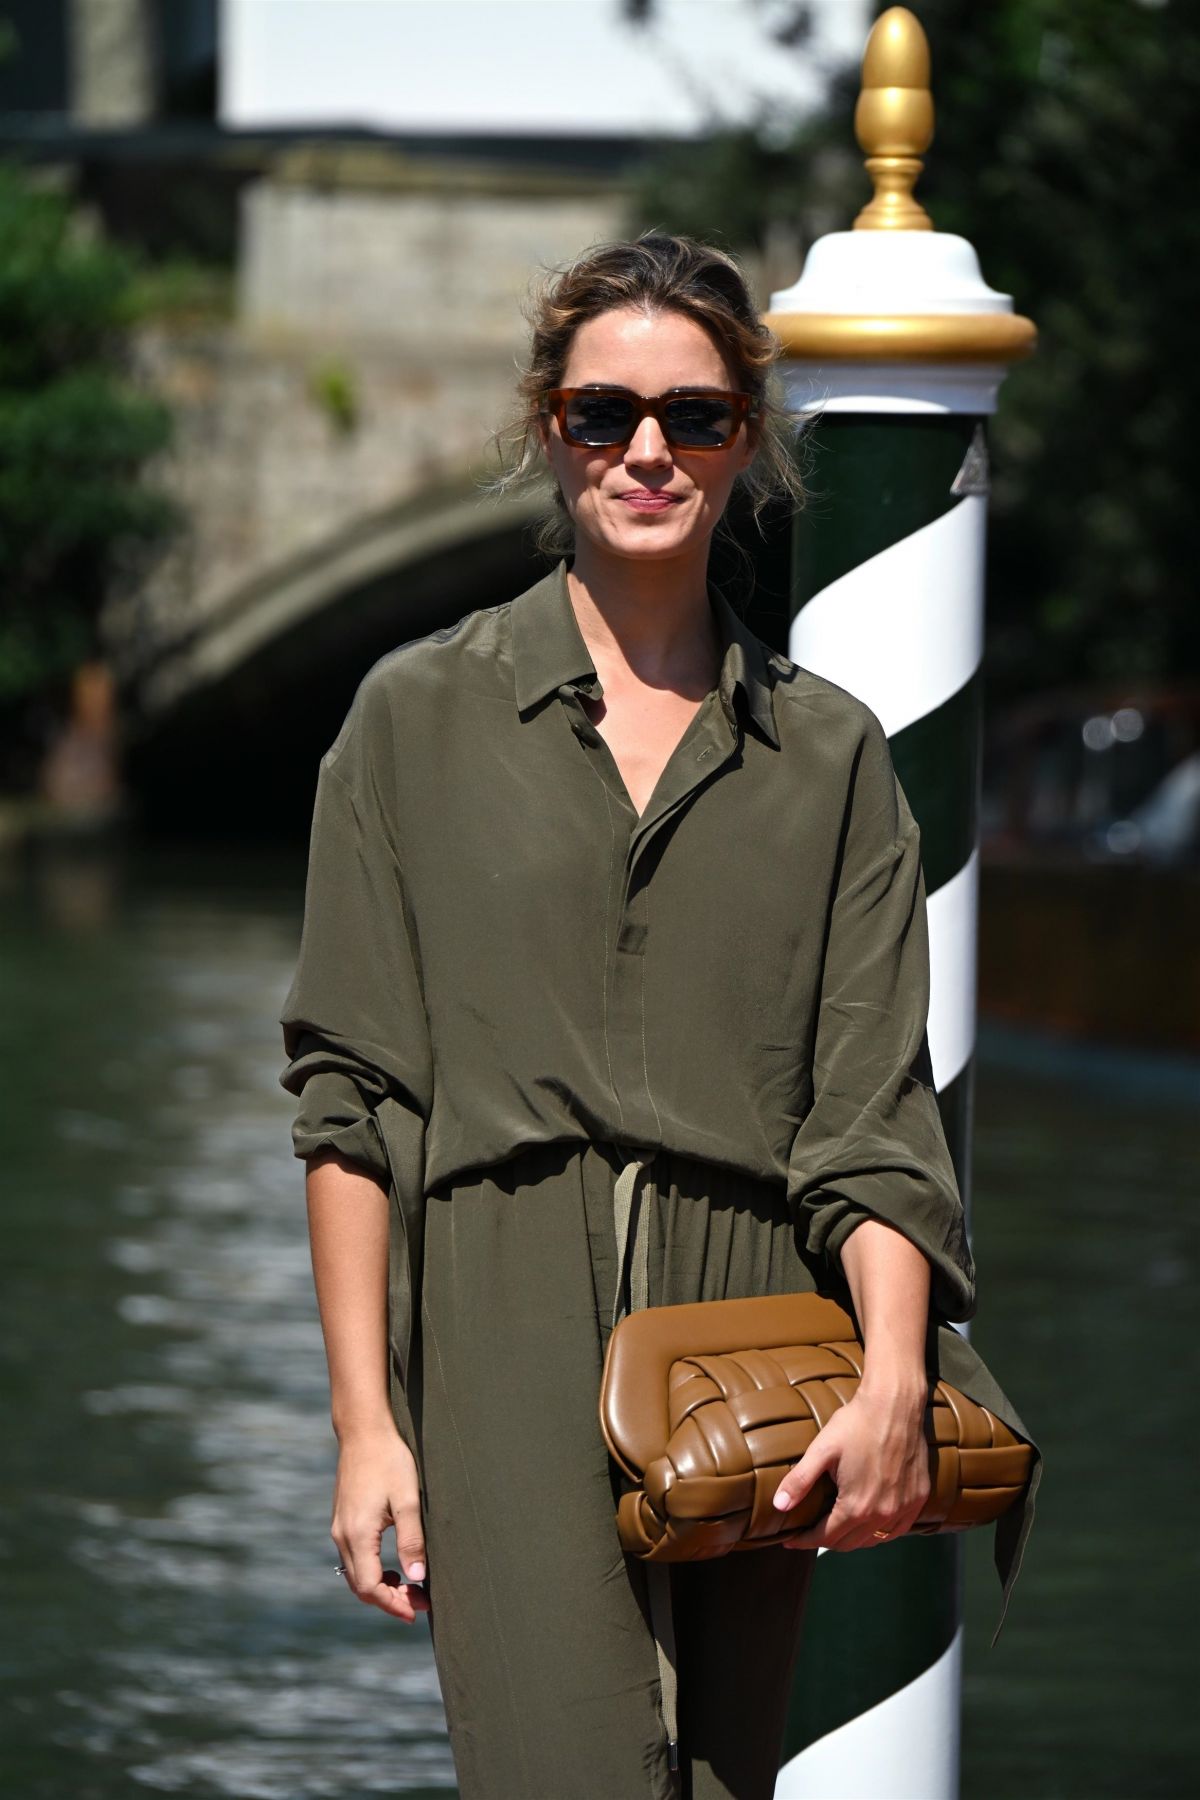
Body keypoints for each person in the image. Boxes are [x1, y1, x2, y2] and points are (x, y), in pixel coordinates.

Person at [279, 230, 1039, 1800]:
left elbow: (870, 1113)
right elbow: (352, 1100)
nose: (646, 450)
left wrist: (897, 1380)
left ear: (746, 437)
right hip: (501, 1318)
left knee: (715, 1783)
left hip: (761, 1330)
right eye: (602, 412)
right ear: (548, 426)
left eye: (693, 415)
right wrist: (367, 1425)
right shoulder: (412, 719)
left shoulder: (827, 757)